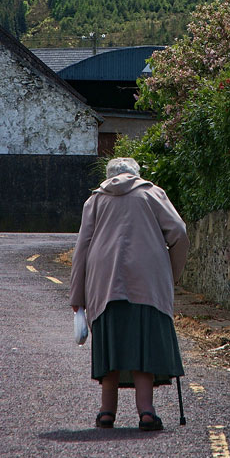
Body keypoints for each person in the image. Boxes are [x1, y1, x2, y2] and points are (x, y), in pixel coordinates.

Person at [69, 157, 189, 431]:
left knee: (109, 343)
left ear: (108, 176)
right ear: (136, 174)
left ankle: (106, 413)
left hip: (104, 280)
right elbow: (179, 233)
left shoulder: (95, 201)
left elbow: (82, 249)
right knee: (143, 343)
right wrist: (170, 275)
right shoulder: (151, 193)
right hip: (146, 280)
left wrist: (77, 298)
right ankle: (146, 412)